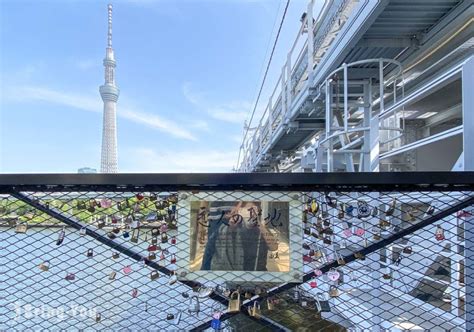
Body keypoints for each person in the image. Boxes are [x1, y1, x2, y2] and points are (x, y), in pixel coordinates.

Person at [200, 201, 279, 271]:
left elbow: (274, 247)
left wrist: (258, 223)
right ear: (240, 211)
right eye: (247, 210)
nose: (250, 214)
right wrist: (231, 226)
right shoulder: (231, 229)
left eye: (253, 210)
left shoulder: (261, 230)